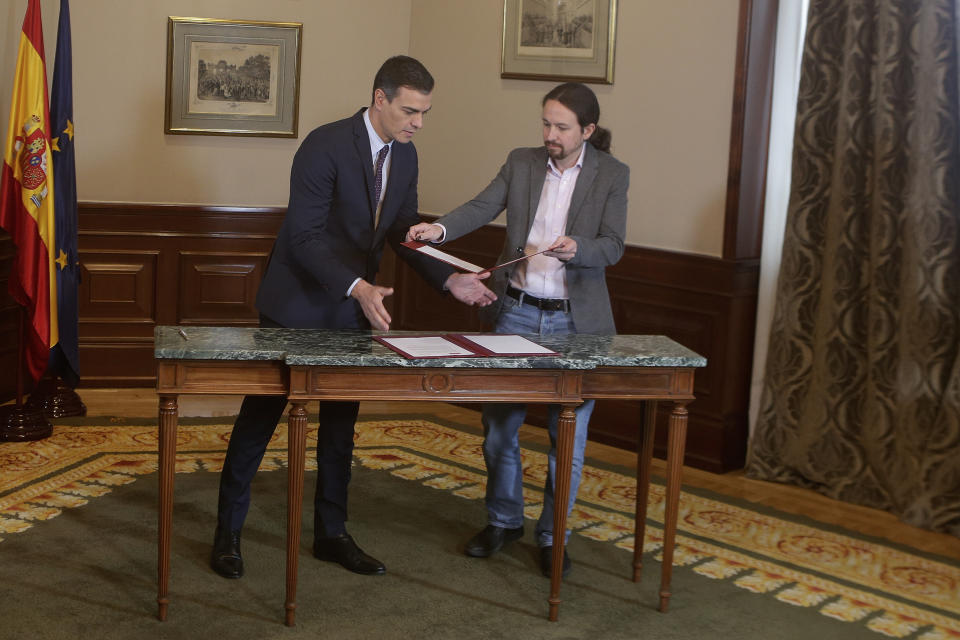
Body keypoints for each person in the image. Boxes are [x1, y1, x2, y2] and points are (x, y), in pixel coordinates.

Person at [210, 56, 496, 580]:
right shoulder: (324, 145)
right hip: (296, 304)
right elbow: (304, 238)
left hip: (352, 307)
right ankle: (227, 533)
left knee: (340, 429)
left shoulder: (406, 157)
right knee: (259, 422)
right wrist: (359, 287)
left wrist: (448, 279)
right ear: (380, 99)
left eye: (426, 112)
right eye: (411, 110)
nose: (419, 123)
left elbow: (402, 233)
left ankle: (332, 535)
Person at [406, 82, 628, 578]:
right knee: (497, 432)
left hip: (577, 323)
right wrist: (437, 230)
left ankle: (553, 536)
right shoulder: (521, 161)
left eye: (561, 127)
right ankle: (504, 521)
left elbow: (612, 245)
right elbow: (482, 207)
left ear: (587, 131)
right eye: (546, 123)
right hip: (517, 314)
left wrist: (580, 250)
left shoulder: (613, 174)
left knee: (565, 439)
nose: (550, 134)